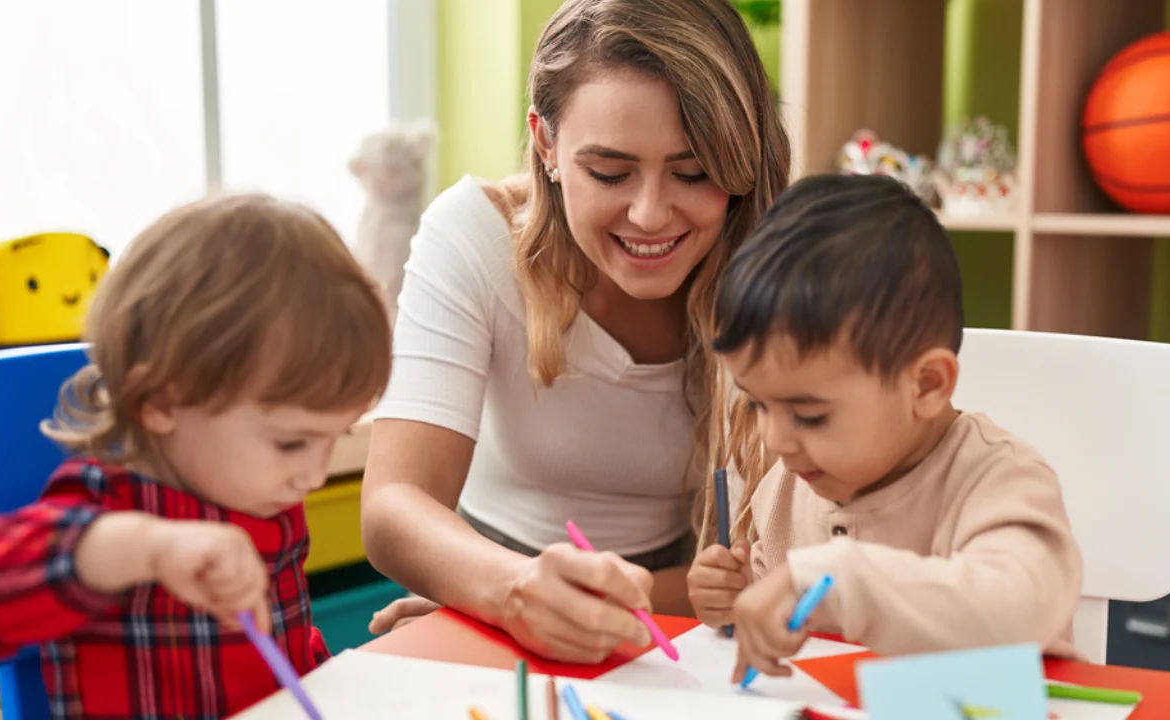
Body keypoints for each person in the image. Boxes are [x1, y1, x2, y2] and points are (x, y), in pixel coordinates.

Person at [360, 0, 789, 663]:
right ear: (546, 144)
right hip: (488, 564)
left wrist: (564, 610)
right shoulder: (474, 234)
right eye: (610, 173)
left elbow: (776, 565)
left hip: (678, 617)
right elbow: (394, 505)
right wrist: (499, 592)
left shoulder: (784, 269)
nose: (649, 215)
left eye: (694, 171)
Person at [0, 194, 392, 718]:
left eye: (333, 438)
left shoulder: (263, 492)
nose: (313, 475)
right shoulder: (107, 504)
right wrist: (143, 549)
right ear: (160, 401)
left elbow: (275, 655)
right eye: (292, 443)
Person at [684, 174, 1083, 681]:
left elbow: (1021, 609)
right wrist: (738, 602)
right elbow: (784, 609)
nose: (774, 440)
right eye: (759, 405)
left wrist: (836, 580)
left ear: (926, 385)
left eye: (809, 414)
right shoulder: (788, 488)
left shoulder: (1000, 479)